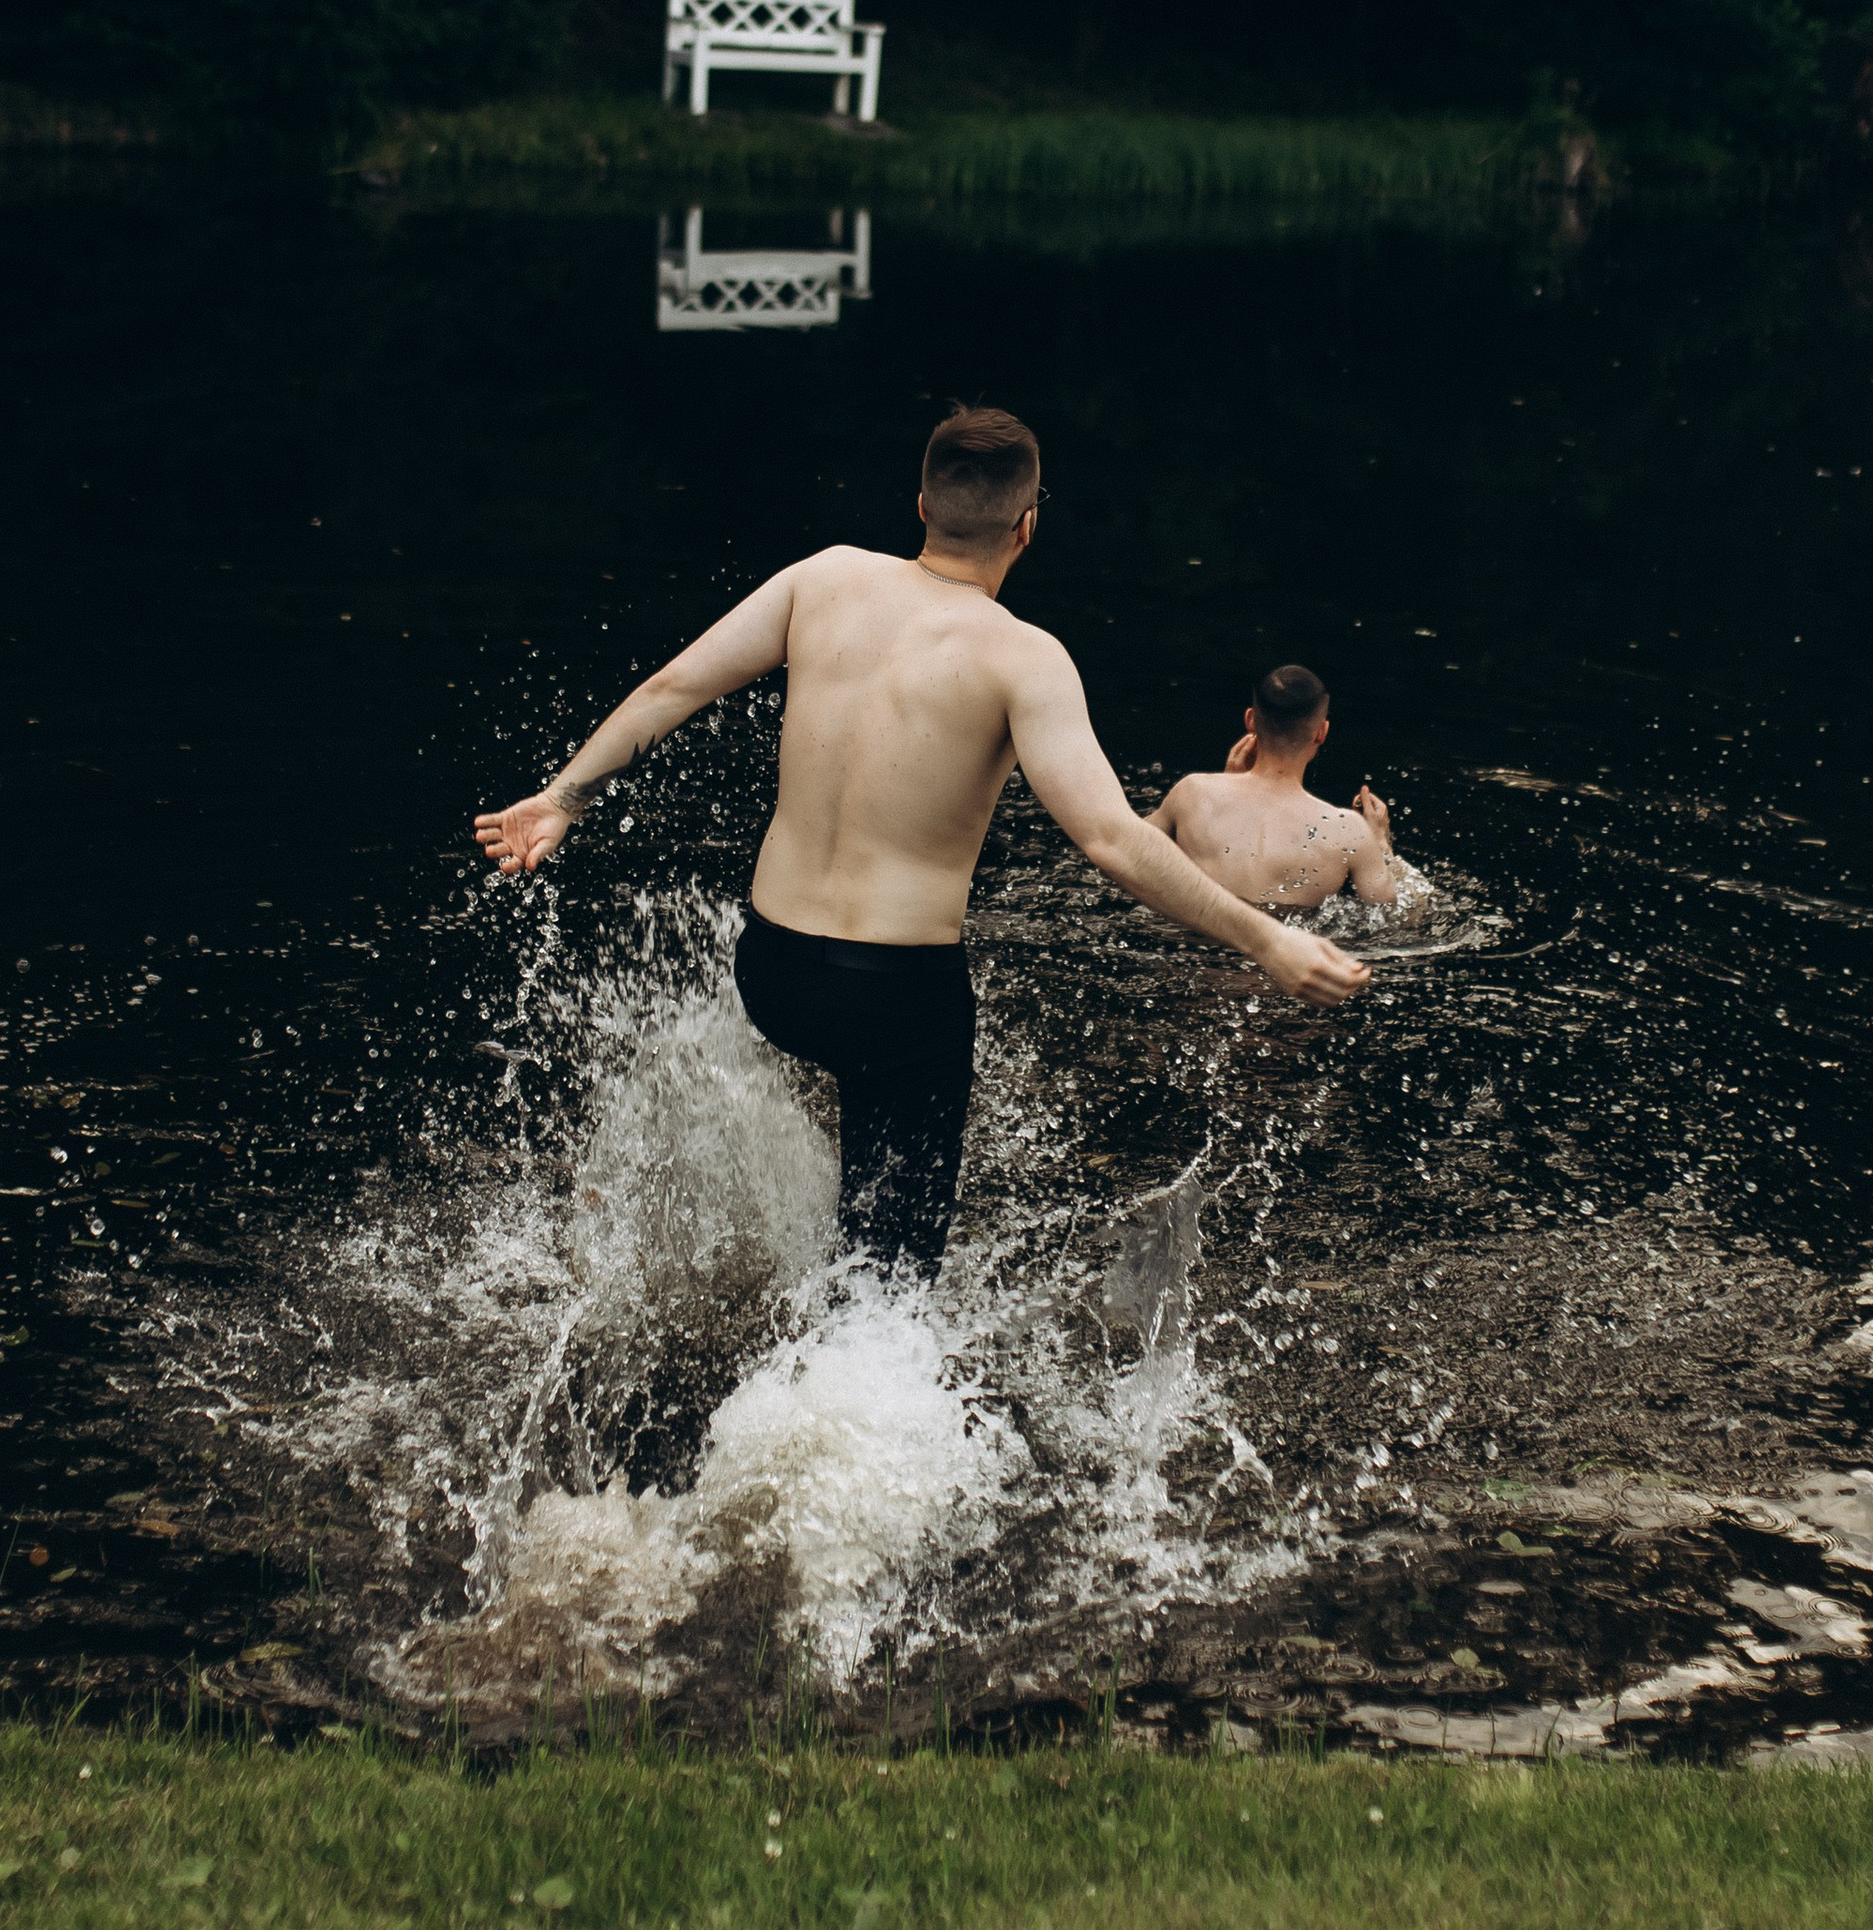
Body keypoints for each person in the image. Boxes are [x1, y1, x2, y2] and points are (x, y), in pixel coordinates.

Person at [473, 408, 1368, 1282]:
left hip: (773, 972)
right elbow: (1109, 838)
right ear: (1027, 528)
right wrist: (1267, 939)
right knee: (891, 1277)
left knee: (856, 1135)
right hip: (896, 998)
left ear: (921, 508)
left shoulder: (821, 578)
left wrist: (562, 800)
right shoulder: (1026, 658)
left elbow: (673, 686)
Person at [1148, 662, 1402, 914]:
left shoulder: (1193, 793)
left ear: (1250, 720)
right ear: (1321, 732)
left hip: (1194, 944)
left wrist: (1226, 784)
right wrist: (1380, 841)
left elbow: (1121, 844)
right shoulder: (1348, 832)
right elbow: (1397, 915)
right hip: (1280, 948)